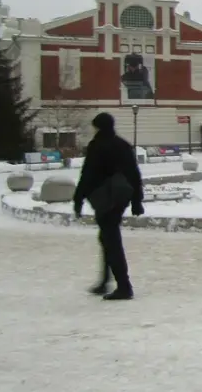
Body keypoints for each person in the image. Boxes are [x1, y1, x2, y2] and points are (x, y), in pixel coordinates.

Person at [73, 113, 144, 301]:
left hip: (104, 198)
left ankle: (124, 286)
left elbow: (87, 174)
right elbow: (134, 174)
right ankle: (106, 280)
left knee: (111, 239)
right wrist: (137, 201)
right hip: (121, 197)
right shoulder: (122, 145)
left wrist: (78, 199)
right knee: (107, 237)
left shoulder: (97, 146)